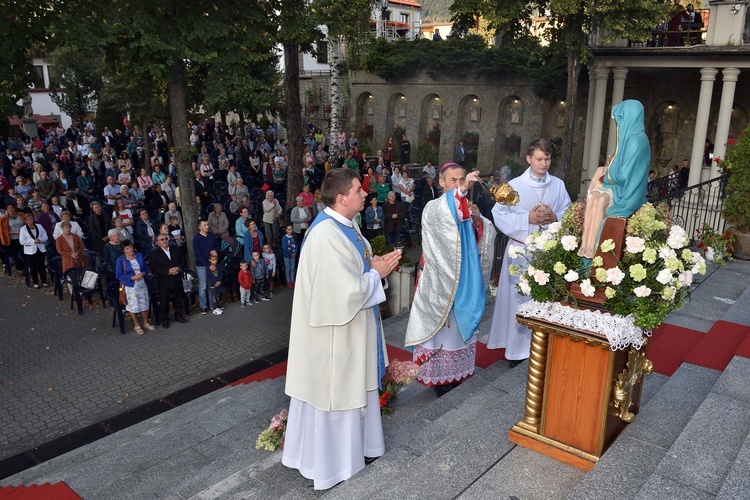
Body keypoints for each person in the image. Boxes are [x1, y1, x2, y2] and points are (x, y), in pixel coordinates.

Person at [282, 168, 401, 490]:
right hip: (333, 338)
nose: (365, 193)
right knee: (335, 395)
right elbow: (343, 293)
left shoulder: (348, 227)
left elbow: (357, 272)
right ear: (342, 198)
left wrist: (377, 267)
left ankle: (361, 449)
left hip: (352, 331)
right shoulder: (326, 236)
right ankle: (333, 466)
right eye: (358, 190)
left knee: (352, 390)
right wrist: (375, 273)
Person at [405, 163, 497, 394]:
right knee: (440, 331)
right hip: (439, 281)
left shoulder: (463, 205)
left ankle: (456, 374)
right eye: (453, 180)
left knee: (458, 330)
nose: (457, 184)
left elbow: (483, 234)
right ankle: (439, 379)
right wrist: (463, 192)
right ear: (442, 182)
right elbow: (446, 216)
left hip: (464, 281)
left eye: (461, 180)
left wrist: (478, 221)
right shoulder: (434, 207)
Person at [487, 139, 571, 366]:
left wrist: (556, 217)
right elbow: (499, 215)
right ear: (528, 159)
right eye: (539, 159)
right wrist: (527, 218)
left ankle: (543, 345)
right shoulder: (513, 186)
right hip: (521, 252)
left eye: (547, 159)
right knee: (519, 301)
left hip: (549, 252)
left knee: (546, 301)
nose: (544, 164)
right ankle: (517, 352)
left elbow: (568, 212)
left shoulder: (558, 185)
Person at [578, 100, 650, 259]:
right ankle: (586, 247)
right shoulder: (635, 138)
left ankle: (593, 251)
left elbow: (623, 175)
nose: (619, 125)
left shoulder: (636, 140)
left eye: (620, 119)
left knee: (599, 201)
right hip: (621, 189)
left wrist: (606, 175)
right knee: (593, 199)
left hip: (628, 193)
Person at [116, 240, 155, 335]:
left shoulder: (139, 255)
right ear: (124, 250)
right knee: (133, 306)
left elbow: (145, 267)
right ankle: (136, 325)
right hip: (130, 286)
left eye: (130, 247)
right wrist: (131, 277)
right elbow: (118, 275)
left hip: (141, 283)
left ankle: (145, 322)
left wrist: (143, 273)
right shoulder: (121, 260)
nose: (130, 250)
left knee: (144, 303)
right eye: (127, 248)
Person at [149, 233, 188, 328]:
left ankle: (178, 316)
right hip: (164, 281)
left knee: (178, 299)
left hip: (176, 278)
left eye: (166, 239)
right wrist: (167, 271)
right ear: (158, 242)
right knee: (164, 302)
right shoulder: (154, 254)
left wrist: (178, 268)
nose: (165, 241)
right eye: (162, 239)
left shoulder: (175, 249)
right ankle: (164, 319)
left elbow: (182, 260)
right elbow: (154, 268)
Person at [193, 219, 220, 315]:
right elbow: (197, 254)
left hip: (213, 264)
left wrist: (215, 250)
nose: (207, 226)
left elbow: (217, 246)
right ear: (200, 227)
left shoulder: (212, 236)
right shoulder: (196, 238)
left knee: (212, 284)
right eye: (205, 225)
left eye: (208, 224)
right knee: (203, 286)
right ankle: (203, 306)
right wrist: (208, 265)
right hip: (202, 265)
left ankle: (213, 303)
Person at [19, 213, 49, 288]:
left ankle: (44, 281)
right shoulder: (23, 229)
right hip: (30, 251)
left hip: (40, 248)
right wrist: (33, 242)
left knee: (42, 266)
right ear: (25, 221)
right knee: (33, 267)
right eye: (28, 218)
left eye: (31, 218)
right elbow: (22, 241)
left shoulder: (39, 226)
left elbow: (45, 236)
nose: (31, 220)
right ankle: (35, 282)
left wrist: (40, 240)